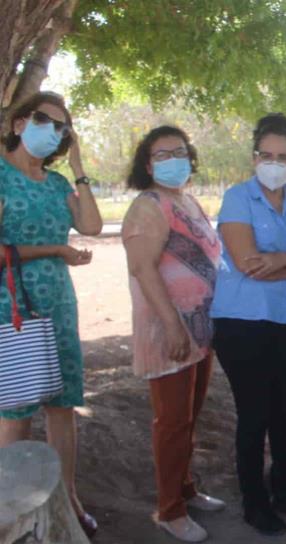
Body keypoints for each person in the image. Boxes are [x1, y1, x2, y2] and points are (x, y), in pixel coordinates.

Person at [211, 114, 286, 536]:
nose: (274, 163)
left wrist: (281, 260)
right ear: (255, 156)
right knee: (254, 413)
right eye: (266, 155)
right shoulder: (237, 198)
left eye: (283, 156)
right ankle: (255, 503)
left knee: (283, 411)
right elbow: (246, 265)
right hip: (241, 323)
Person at [0, 91, 102, 538]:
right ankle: (9, 502)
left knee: (62, 405)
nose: (54, 131)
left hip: (58, 304)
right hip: (13, 305)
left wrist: (78, 167)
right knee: (16, 408)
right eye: (45, 120)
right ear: (20, 123)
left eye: (62, 127)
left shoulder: (59, 183)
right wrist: (56, 249)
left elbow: (93, 226)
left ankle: (68, 496)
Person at [121, 125, 223, 542]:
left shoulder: (185, 200)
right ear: (147, 164)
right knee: (172, 423)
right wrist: (171, 324)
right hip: (169, 331)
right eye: (161, 154)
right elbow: (142, 267)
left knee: (188, 418)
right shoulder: (148, 205)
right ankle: (169, 509)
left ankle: (185, 488)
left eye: (178, 152)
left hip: (198, 330)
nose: (172, 160)